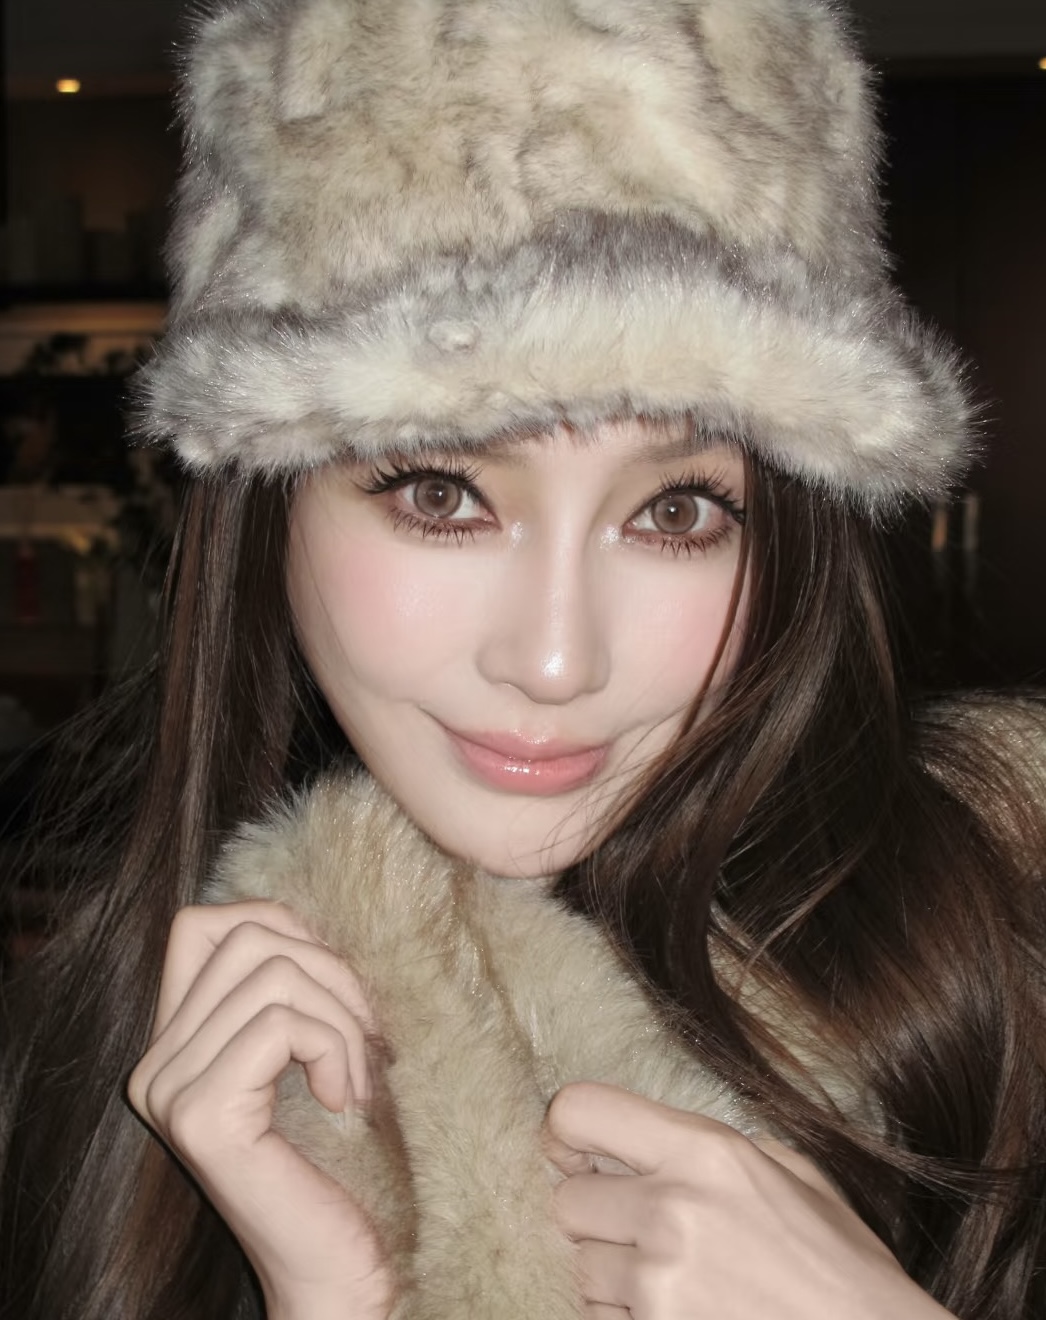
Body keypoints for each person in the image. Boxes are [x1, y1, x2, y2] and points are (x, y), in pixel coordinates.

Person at [2, 0, 1044, 1317]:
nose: (555, 662)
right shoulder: (89, 1071)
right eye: (442, 494)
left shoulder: (1007, 953)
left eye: (677, 512)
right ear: (267, 504)